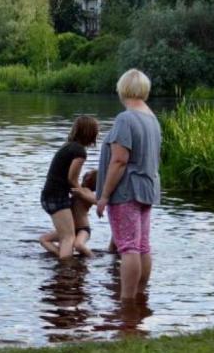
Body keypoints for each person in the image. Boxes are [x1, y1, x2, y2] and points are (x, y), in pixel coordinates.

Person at [96, 69, 162, 302]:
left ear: (122, 89)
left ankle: (126, 302)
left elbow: (120, 160)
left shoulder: (126, 118)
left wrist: (104, 196)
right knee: (142, 245)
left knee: (128, 247)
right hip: (148, 187)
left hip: (127, 190)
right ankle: (139, 299)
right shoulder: (151, 118)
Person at [38, 116, 99, 259]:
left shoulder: (68, 146)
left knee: (66, 237)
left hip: (49, 195)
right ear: (90, 133)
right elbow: (72, 179)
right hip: (56, 196)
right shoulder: (79, 152)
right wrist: (80, 190)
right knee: (68, 237)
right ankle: (66, 271)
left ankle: (63, 259)